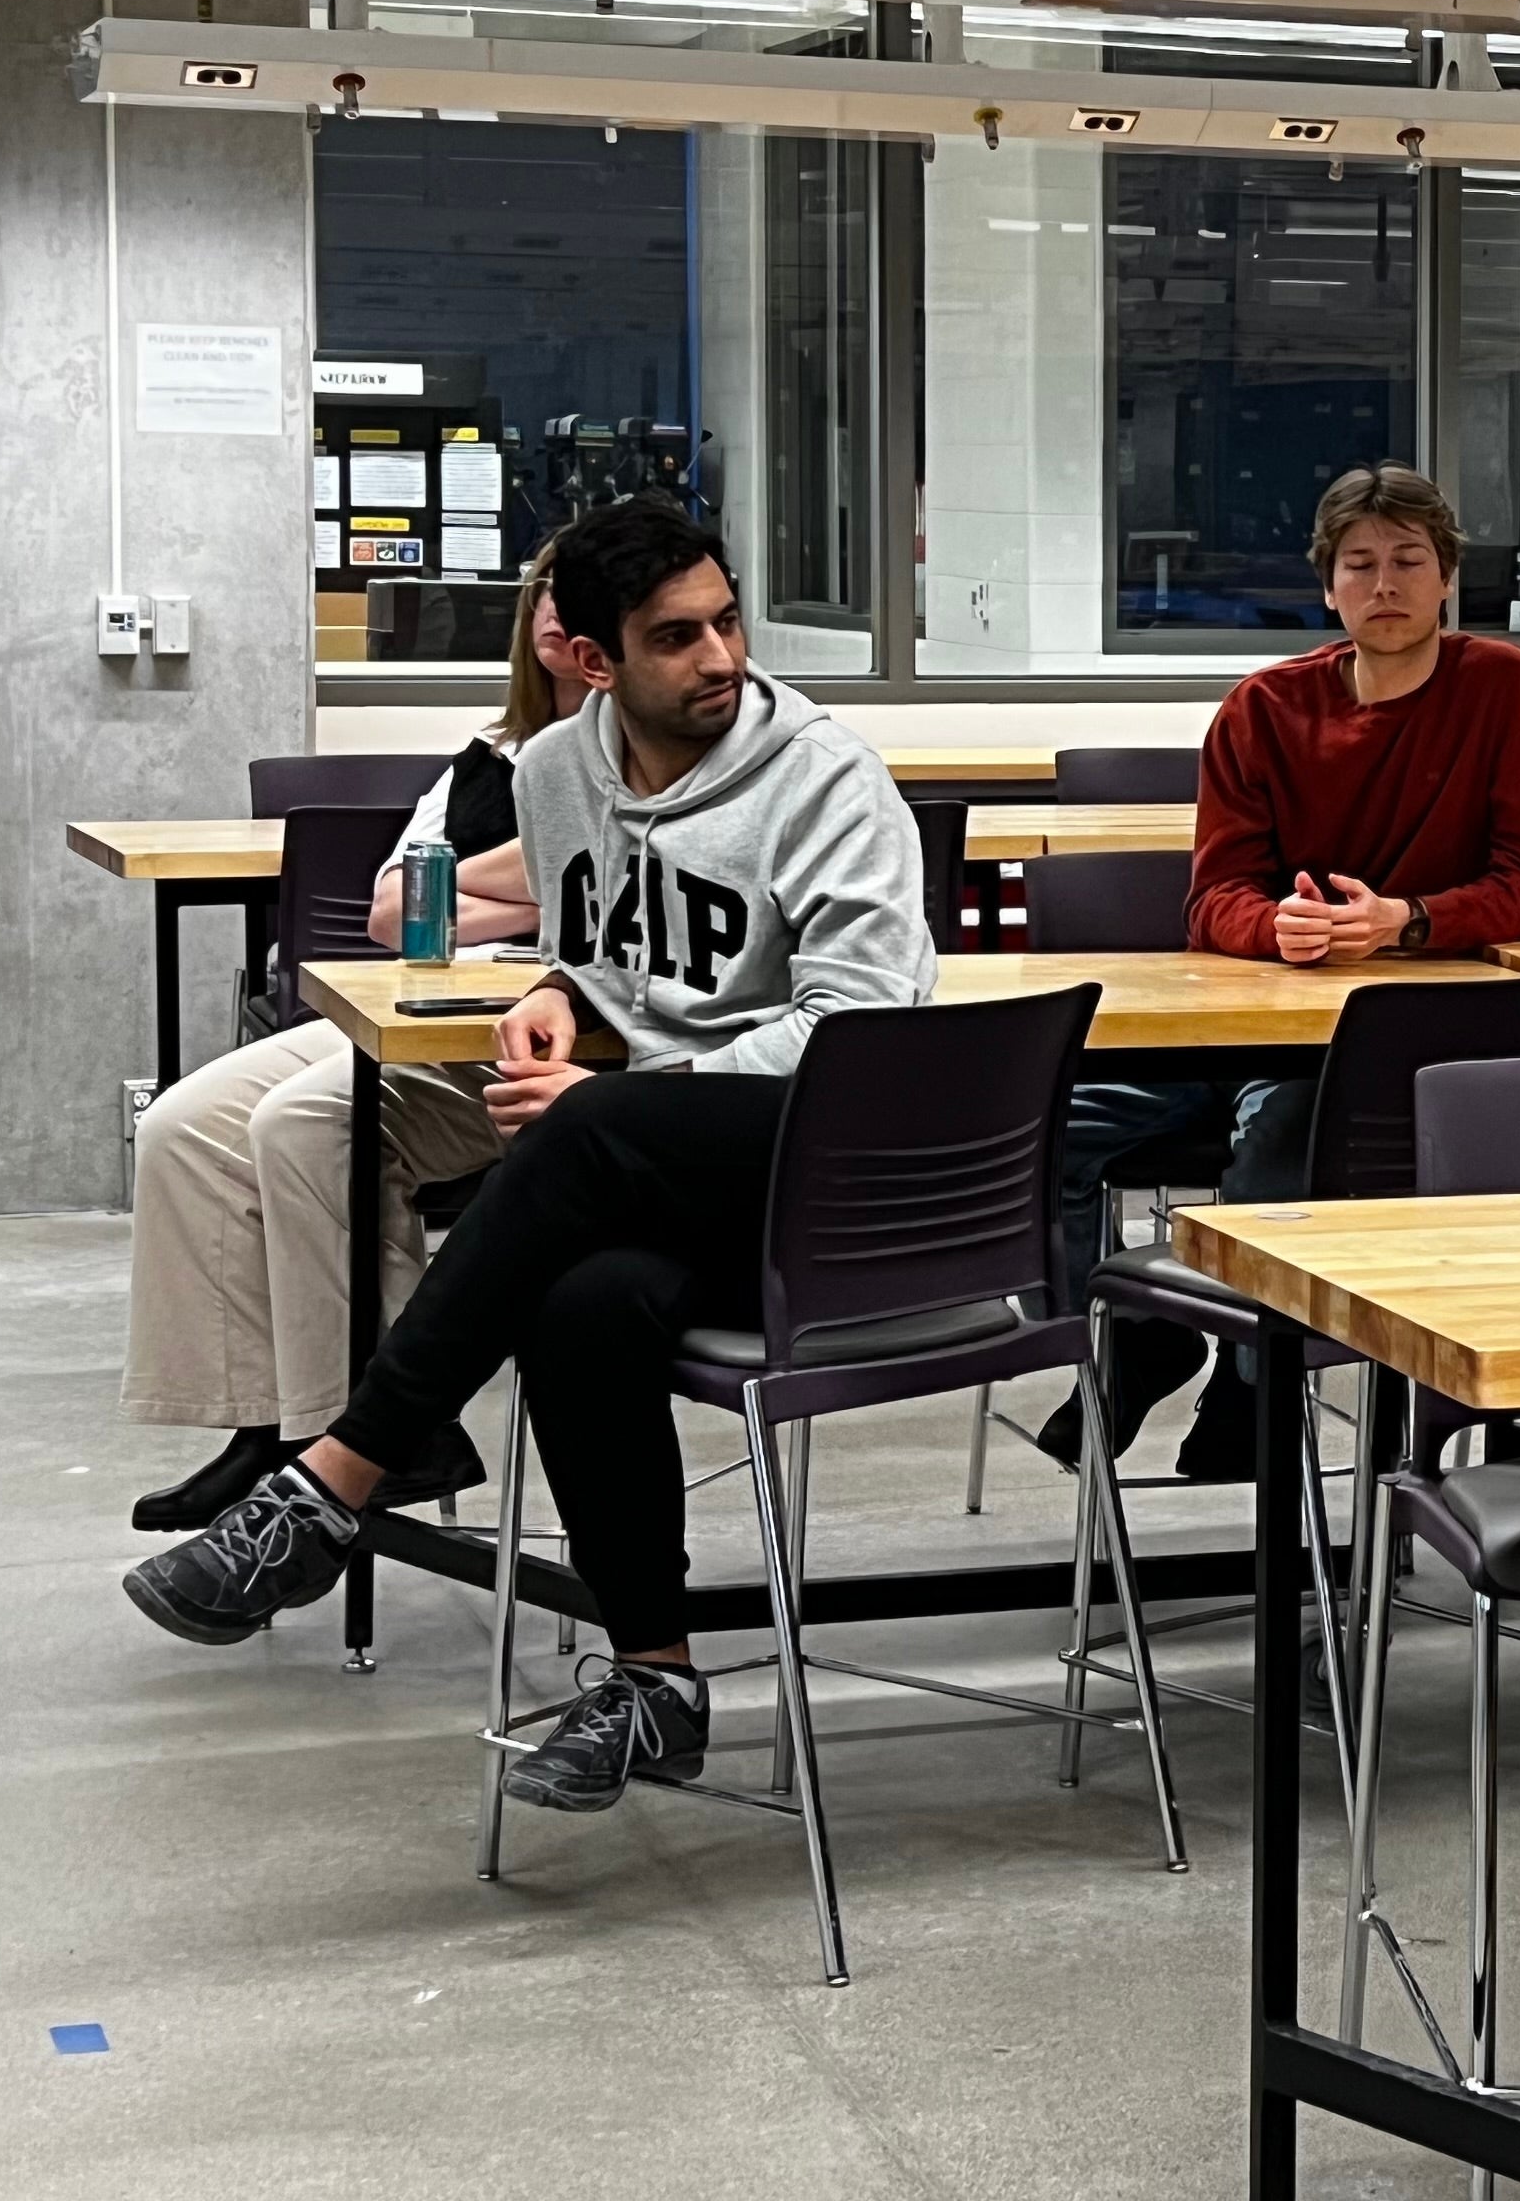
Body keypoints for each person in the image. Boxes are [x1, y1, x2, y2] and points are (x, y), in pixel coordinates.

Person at [119, 500, 934, 1813]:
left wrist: (623, 1080)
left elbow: (863, 1030)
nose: (722, 657)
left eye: (728, 621)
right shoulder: (557, 775)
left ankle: (333, 1482)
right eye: (678, 637)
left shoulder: (824, 780)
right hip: (667, 1171)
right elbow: (629, 965)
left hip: (833, 1174)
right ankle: (657, 1682)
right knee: (579, 1301)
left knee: (587, 1127)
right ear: (595, 658)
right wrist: (571, 1000)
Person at [1041, 462, 1520, 1480]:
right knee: (1045, 1127)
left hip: (1391, 1051)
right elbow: (1212, 900)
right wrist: (1275, 925)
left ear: (1448, 576)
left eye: (1409, 562)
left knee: (1283, 1133)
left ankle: (1251, 1381)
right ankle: (1128, 1339)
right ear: (1327, 585)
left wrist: (1407, 922)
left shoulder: (1506, 687)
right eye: (1361, 565)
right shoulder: (1263, 708)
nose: (1386, 585)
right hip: (1245, 1023)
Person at [116, 547, 590, 1533]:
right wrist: (514, 890)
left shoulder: (647, 755)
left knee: (304, 1125)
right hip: (424, 1007)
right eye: (541, 592)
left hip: (528, 1039)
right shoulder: (492, 756)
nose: (553, 614)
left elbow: (593, 881)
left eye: (575, 597)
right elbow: (393, 909)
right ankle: (271, 1422)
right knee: (183, 1126)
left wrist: (484, 894)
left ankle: (379, 1422)